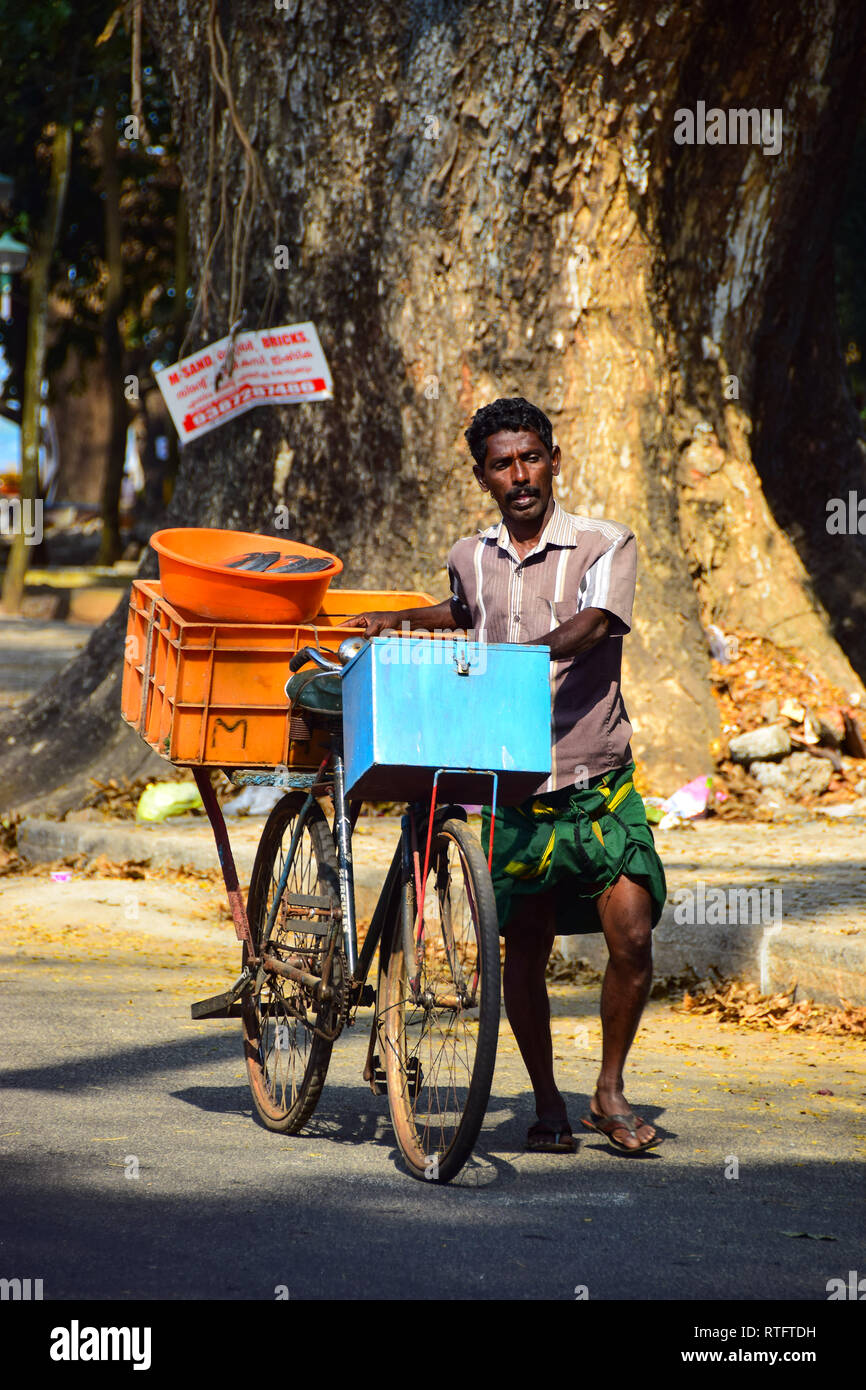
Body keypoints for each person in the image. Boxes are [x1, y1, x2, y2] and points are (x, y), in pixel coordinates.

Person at [353, 397, 667, 1155]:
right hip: (510, 785)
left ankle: (609, 1090)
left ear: (554, 460)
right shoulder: (471, 553)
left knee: (631, 934)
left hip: (595, 777)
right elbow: (465, 611)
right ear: (483, 476)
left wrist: (523, 659)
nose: (520, 475)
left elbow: (595, 625)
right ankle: (550, 1101)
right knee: (522, 944)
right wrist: (401, 621)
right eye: (503, 464)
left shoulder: (604, 543)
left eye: (531, 458)